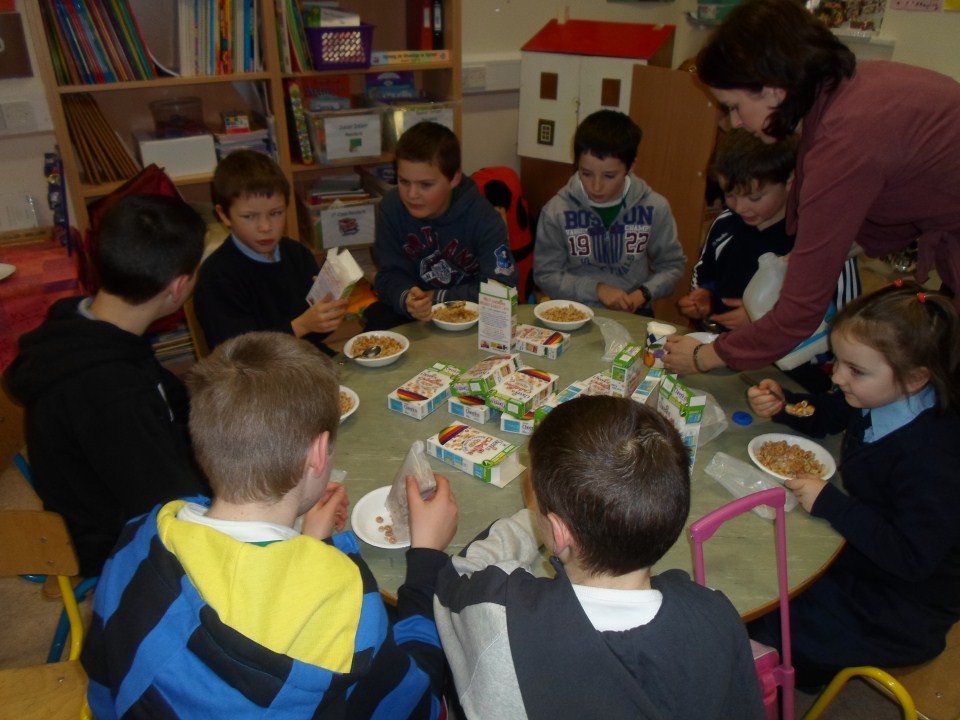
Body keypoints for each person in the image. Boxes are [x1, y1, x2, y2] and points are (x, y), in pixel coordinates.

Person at [82, 331, 459, 719]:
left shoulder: (140, 534)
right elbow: (419, 704)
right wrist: (427, 558)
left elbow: (106, 682)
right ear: (317, 453)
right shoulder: (345, 606)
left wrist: (312, 545)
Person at [664, 0, 960, 376]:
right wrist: (808, 257)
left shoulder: (843, 143)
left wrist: (702, 357)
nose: (735, 123)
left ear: (773, 90)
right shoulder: (849, 90)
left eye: (735, 106)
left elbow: (798, 314)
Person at [433, 396, 764, 719]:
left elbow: (454, 580)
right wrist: (551, 515)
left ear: (558, 532)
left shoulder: (501, 614)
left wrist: (531, 518)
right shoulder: (716, 615)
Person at [745, 282, 960, 687]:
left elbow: (911, 558)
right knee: (766, 575)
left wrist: (833, 504)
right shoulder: (880, 394)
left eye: (855, 370)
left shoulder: (934, 458)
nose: (838, 377)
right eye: (838, 361)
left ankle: (777, 684)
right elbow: (830, 410)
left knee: (771, 623)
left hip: (900, 605)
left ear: (916, 379)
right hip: (861, 553)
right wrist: (786, 404)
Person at [3, 194, 208, 578]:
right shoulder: (114, 394)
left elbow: (169, 402)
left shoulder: (81, 327)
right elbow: (171, 508)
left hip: (116, 491)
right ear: (179, 287)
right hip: (120, 544)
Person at [679, 129, 860, 391]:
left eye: (754, 197)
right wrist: (705, 297)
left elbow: (845, 324)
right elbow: (704, 273)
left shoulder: (819, 240)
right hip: (723, 361)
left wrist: (759, 325)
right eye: (730, 195)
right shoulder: (726, 224)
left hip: (796, 379)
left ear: (790, 181)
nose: (740, 208)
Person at [366, 121, 518, 330]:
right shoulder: (391, 207)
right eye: (404, 181)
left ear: (454, 178)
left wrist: (438, 297)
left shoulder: (484, 218)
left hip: (472, 317)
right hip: (414, 316)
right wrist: (408, 298)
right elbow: (388, 275)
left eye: (425, 185)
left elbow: (502, 288)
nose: (412, 194)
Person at [193, 149, 347, 355]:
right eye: (249, 216)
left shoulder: (297, 254)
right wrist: (301, 326)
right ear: (224, 215)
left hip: (306, 359)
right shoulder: (216, 276)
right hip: (254, 379)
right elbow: (235, 356)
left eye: (275, 213)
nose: (265, 227)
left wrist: (326, 317)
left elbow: (315, 337)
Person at [533, 109, 686, 316]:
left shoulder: (654, 206)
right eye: (586, 174)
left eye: (609, 176)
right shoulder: (557, 210)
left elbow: (672, 265)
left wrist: (644, 293)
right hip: (574, 311)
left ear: (631, 167)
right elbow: (546, 275)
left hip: (634, 310)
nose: (596, 186)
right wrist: (596, 289)